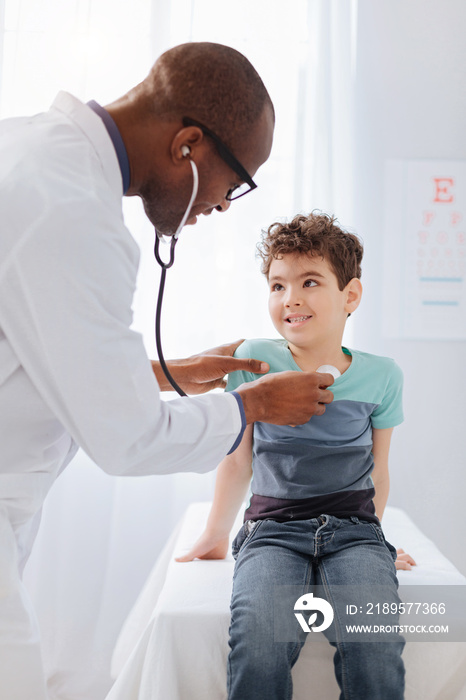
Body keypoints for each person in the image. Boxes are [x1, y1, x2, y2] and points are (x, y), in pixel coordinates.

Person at [0, 44, 336, 698]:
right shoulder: (71, 214)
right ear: (187, 144)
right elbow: (126, 439)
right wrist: (254, 406)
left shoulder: (31, 152)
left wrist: (172, 371)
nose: (224, 205)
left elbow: (37, 354)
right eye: (234, 182)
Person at [178, 212, 416, 700]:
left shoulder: (383, 376)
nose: (291, 299)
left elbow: (379, 470)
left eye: (309, 282)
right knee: (258, 645)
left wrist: (378, 541)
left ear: (350, 295)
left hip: (354, 532)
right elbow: (237, 460)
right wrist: (216, 531)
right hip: (272, 530)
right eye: (277, 285)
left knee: (375, 647)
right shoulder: (255, 361)